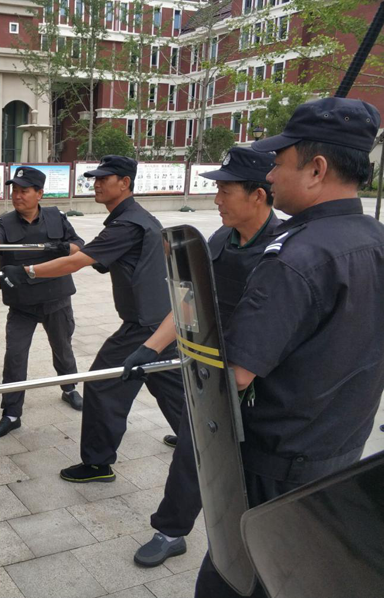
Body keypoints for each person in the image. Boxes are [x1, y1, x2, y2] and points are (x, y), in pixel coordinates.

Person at [193, 98, 384, 597]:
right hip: (343, 447)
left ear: (316, 169)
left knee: (237, 574)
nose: (271, 175)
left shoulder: (295, 258)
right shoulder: (376, 238)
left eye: (279, 162)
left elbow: (235, 374)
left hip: (277, 461)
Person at [0, 156, 197, 516]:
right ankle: (199, 443)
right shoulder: (135, 218)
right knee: (170, 386)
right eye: (95, 178)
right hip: (162, 322)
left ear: (125, 182)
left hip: (143, 326)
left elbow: (78, 261)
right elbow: (101, 257)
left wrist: (27, 271)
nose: (97, 184)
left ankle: (97, 463)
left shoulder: (127, 223)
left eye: (105, 179)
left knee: (103, 385)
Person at [120, 146, 279, 567]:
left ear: (258, 195)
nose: (216, 199)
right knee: (193, 453)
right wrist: (150, 347)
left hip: (263, 379)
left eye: (225, 190)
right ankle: (171, 531)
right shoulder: (220, 239)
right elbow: (188, 300)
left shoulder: (285, 250)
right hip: (216, 371)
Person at [0, 166, 85, 438]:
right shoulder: (4, 222)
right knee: (15, 356)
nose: (18, 196)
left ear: (39, 193)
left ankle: (69, 388)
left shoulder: (57, 217)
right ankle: (11, 413)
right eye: (15, 191)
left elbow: (79, 245)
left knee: (63, 347)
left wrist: (65, 247)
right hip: (22, 305)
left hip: (56, 299)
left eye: (24, 191)